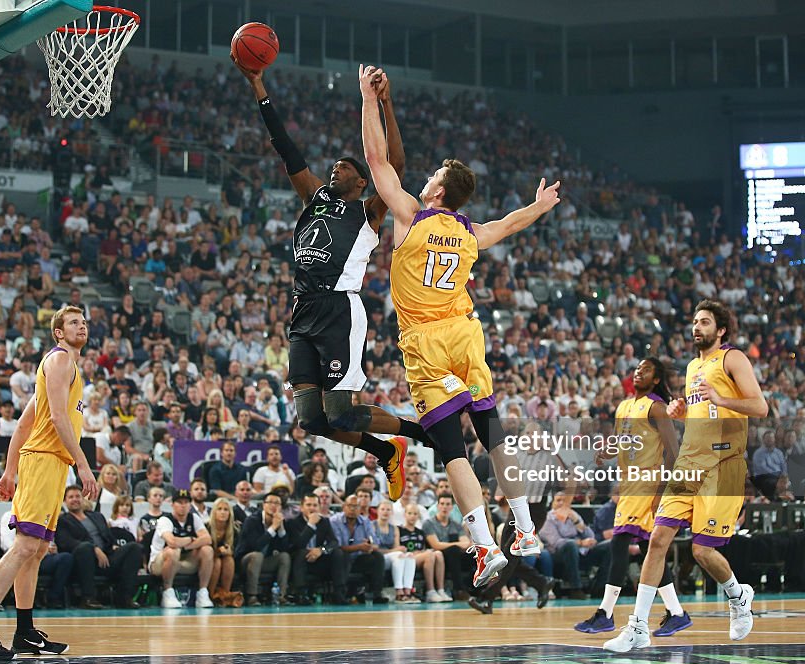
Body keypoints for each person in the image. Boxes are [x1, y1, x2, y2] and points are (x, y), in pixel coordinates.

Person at [359, 65, 560, 587]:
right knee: (493, 434)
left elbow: (377, 159)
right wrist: (539, 206)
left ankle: (486, 546)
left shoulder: (410, 215)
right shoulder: (470, 232)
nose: (424, 179)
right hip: (466, 333)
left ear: (439, 189)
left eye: (432, 177)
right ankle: (523, 528)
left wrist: (367, 98)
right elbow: (510, 223)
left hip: (426, 340)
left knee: (452, 449)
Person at [232, 52, 431, 505]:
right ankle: (386, 452)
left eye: (346, 166)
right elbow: (286, 147)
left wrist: (387, 105)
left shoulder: (369, 210)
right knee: (313, 421)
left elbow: (396, 167)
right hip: (303, 310)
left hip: (341, 308)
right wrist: (258, 87)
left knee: (341, 412)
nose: (336, 167)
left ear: (363, 182)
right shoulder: (314, 196)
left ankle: (417, 433)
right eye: (337, 165)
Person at [605, 299, 768, 652]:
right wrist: (683, 413)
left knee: (702, 551)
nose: (697, 327)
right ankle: (637, 627)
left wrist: (722, 400)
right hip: (689, 464)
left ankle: (739, 596)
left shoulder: (733, 358)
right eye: (695, 321)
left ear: (720, 329)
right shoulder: (694, 365)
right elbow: (703, 413)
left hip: (723, 466)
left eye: (705, 322)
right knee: (658, 539)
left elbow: (759, 406)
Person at [0, 306, 99, 661]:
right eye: (73, 322)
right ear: (58, 332)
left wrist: (9, 471)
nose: (81, 326)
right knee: (25, 546)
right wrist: (83, 464)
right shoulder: (59, 362)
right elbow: (54, 418)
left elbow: (24, 424)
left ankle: (24, 632)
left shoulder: (67, 369)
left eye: (83, 322)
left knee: (37, 550)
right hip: (43, 460)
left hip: (49, 463)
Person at [575, 358, 691, 636]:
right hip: (628, 485)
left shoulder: (657, 408)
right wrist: (606, 451)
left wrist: (661, 491)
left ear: (655, 380)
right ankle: (676, 612)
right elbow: (620, 443)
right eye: (638, 368)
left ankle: (606, 612)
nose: (639, 371)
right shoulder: (624, 406)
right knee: (651, 552)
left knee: (619, 543)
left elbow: (674, 454)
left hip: (647, 483)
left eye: (646, 369)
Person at [150, 489, 214, 609]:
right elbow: (172, 542)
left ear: (190, 505)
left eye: (186, 502)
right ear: (172, 504)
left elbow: (207, 539)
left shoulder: (194, 518)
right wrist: (191, 539)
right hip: (159, 563)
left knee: (207, 550)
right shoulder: (165, 520)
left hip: (184, 561)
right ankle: (167, 592)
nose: (183, 505)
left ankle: (203, 592)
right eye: (179, 502)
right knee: (172, 551)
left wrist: (185, 545)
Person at [235, 490, 292, 606]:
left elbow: (286, 548)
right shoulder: (252, 520)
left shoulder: (281, 521)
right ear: (263, 505)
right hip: (245, 560)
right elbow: (255, 546)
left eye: (277, 503)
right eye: (270, 502)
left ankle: (281, 595)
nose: (273, 506)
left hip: (265, 560)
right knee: (257, 555)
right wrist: (273, 528)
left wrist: (280, 529)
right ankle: (252, 596)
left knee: (284, 557)